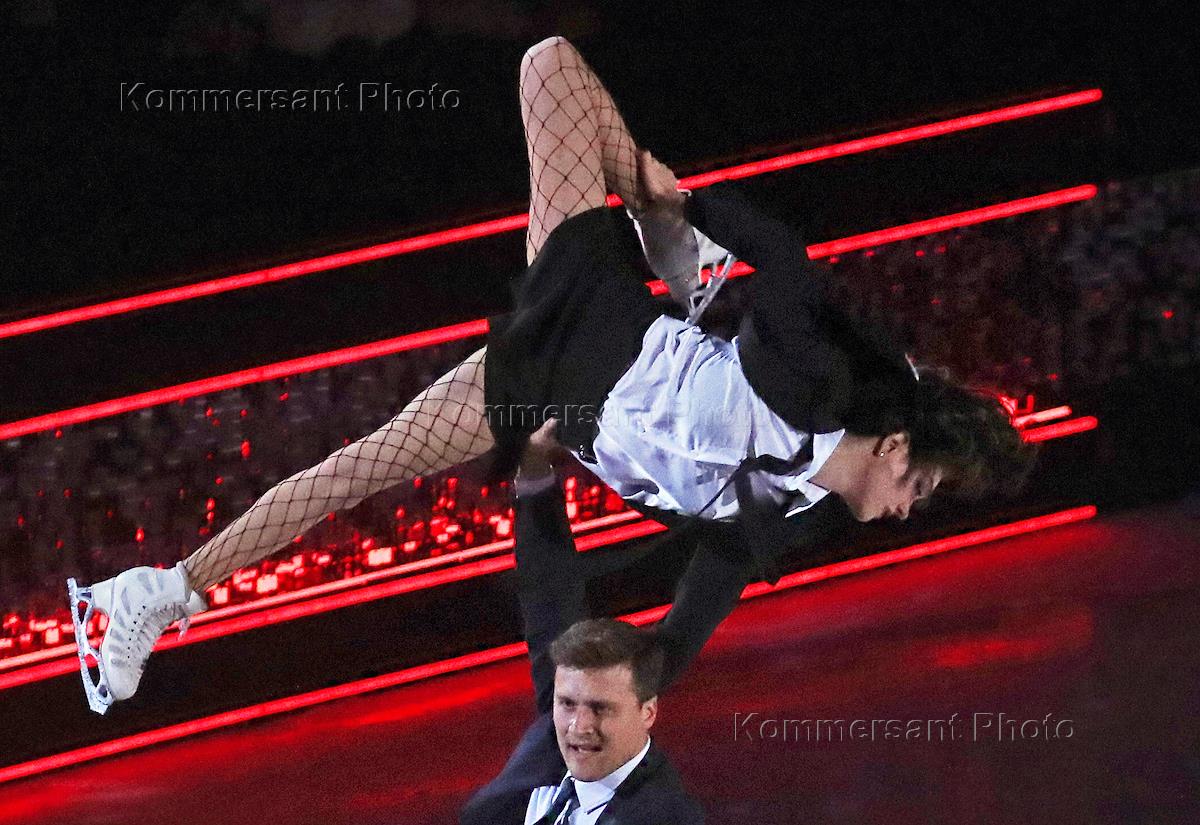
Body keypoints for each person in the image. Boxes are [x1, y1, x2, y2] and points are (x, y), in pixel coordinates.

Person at [67, 36, 1034, 714]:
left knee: (356, 469)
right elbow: (788, 261)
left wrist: (626, 695)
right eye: (920, 484)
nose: (907, 508)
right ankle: (665, 228)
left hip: (557, 401)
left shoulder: (797, 514)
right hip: (596, 317)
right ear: (895, 443)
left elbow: (689, 619)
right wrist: (685, 207)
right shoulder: (813, 384)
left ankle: (154, 591)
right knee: (550, 63)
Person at [461, 419, 705, 824]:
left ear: (647, 712)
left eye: (601, 708)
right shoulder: (550, 749)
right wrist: (535, 474)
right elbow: (547, 599)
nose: (580, 726)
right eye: (568, 704)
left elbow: (697, 609)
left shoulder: (662, 817)